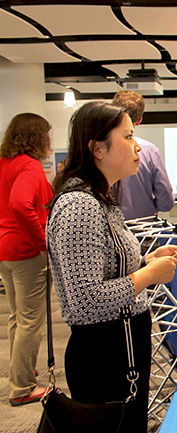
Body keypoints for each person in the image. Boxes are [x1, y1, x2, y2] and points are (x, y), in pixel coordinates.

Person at [47, 101, 177, 431]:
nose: (138, 146)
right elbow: (86, 299)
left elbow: (105, 267)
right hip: (103, 356)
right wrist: (147, 275)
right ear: (97, 149)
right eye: (128, 137)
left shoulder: (100, 197)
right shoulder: (79, 205)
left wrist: (146, 261)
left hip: (122, 349)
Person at [0, 113, 53, 406]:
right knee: (31, 320)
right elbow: (20, 204)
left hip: (5, 249)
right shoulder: (30, 167)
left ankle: (21, 372)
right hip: (25, 252)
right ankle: (22, 388)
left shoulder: (5, 163)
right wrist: (41, 241)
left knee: (17, 317)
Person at [112, 90, 174, 221]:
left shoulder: (101, 149)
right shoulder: (150, 151)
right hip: (145, 229)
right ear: (139, 120)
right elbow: (166, 202)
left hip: (111, 229)